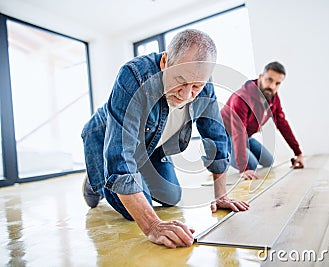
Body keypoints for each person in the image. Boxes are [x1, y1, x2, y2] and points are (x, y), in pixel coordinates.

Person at [81, 29, 249, 249]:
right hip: (106, 140)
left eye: (196, 87)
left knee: (172, 196)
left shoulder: (204, 87)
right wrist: (152, 226)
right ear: (165, 61)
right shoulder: (133, 75)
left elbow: (216, 138)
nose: (186, 94)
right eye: (180, 80)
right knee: (138, 209)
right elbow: (120, 159)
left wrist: (221, 195)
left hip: (150, 147)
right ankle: (96, 183)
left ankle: (122, 175)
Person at [221, 61, 304, 180]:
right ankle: (214, 156)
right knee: (251, 165)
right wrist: (244, 169)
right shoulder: (241, 98)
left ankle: (242, 151)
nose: (272, 86)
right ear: (261, 77)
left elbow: (282, 124)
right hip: (225, 136)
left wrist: (298, 153)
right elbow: (238, 132)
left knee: (268, 161)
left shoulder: (272, 97)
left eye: (277, 83)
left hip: (245, 137)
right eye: (269, 80)